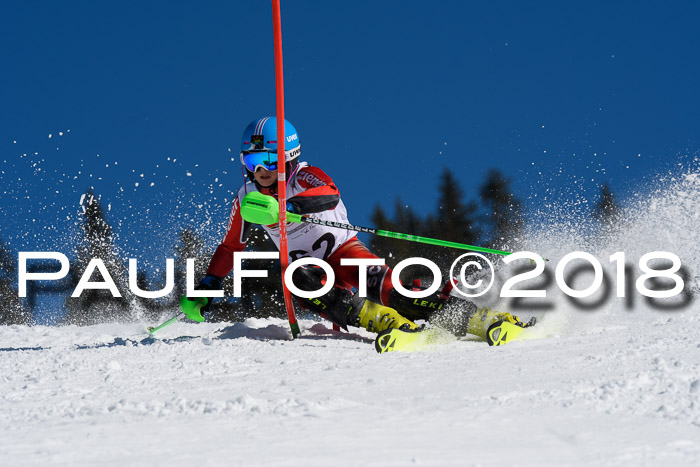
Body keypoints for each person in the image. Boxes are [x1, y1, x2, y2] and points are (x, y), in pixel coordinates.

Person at [188, 117, 531, 348]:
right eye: (252, 163)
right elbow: (232, 245)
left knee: (388, 287)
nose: (261, 172)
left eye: (269, 162)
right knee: (298, 277)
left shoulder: (303, 176)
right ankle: (389, 324)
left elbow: (327, 193)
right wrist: (208, 283)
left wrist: (289, 208)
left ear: (288, 156)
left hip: (344, 251)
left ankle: (486, 318)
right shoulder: (246, 197)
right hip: (310, 271)